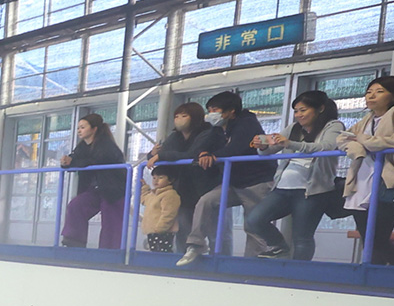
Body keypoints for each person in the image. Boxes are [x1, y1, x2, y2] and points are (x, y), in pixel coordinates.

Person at [177, 91, 275, 266]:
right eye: (210, 109)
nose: (211, 114)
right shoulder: (219, 128)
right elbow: (206, 145)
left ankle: (253, 263)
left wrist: (213, 156)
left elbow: (236, 149)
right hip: (234, 182)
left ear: (230, 111)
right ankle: (196, 245)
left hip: (256, 182)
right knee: (206, 201)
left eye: (215, 109)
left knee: (253, 225)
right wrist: (204, 153)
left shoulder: (247, 124)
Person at [245, 90, 344, 261]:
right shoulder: (293, 128)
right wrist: (262, 146)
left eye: (303, 110)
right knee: (254, 220)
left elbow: (328, 147)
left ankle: (299, 273)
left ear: (320, 109)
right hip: (282, 188)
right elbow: (270, 150)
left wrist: (292, 144)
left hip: (312, 191)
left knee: (302, 237)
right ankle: (279, 247)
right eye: (296, 111)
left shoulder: (333, 125)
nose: (298, 115)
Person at [340, 75, 394, 266]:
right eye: (369, 92)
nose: (371, 96)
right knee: (368, 238)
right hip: (362, 182)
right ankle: (372, 276)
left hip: (391, 180)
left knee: (378, 237)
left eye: (379, 92)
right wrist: (359, 147)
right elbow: (344, 138)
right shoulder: (367, 119)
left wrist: (366, 141)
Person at [146, 103, 218, 254]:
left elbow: (193, 154)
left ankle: (221, 262)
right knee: (183, 228)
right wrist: (152, 155)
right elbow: (161, 155)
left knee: (215, 231)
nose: (179, 119)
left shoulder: (208, 133)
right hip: (183, 191)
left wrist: (162, 156)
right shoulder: (175, 137)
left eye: (184, 116)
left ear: (195, 117)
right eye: (176, 116)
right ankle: (183, 257)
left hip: (206, 187)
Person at [58, 114, 126, 250]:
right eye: (78, 128)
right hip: (95, 189)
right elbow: (75, 159)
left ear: (94, 129)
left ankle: (109, 252)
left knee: (111, 221)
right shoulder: (82, 146)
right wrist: (66, 163)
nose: (79, 130)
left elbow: (96, 160)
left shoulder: (106, 144)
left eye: (82, 127)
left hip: (114, 190)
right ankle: (74, 242)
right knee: (76, 206)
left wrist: (74, 162)